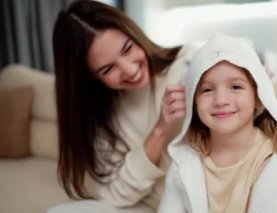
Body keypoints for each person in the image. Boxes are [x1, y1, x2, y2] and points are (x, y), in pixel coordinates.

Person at [48, 0, 198, 212]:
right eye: (108, 68)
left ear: (134, 34)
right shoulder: (105, 117)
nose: (130, 70)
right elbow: (114, 195)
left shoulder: (187, 64)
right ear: (91, 77)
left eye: (128, 48)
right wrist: (159, 131)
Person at [158, 35, 277, 213]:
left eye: (236, 87)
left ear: (258, 97)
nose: (221, 100)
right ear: (193, 101)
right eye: (207, 90)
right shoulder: (184, 160)